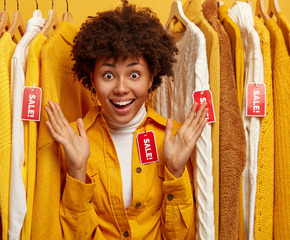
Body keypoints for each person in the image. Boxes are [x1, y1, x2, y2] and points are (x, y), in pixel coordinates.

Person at [44, 1, 208, 239]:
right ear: (92, 78)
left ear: (151, 77)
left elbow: (179, 236)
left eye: (134, 74)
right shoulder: (70, 142)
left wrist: (175, 170)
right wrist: (78, 170)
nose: (121, 88)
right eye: (108, 75)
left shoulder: (176, 140)